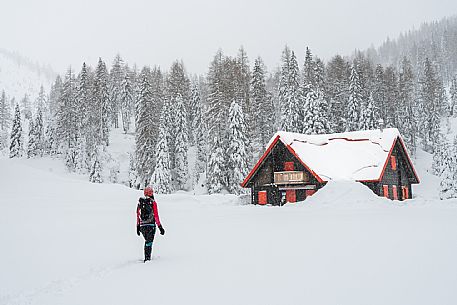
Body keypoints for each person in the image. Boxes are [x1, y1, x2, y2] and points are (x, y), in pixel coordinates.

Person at [136, 186, 165, 262]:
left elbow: (137, 214)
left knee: (147, 241)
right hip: (151, 225)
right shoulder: (153, 202)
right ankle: (147, 260)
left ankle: (147, 258)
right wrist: (160, 227)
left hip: (142, 226)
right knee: (149, 242)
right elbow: (156, 215)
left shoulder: (140, 202)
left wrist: (138, 226)